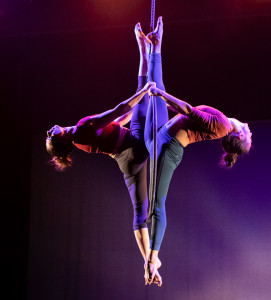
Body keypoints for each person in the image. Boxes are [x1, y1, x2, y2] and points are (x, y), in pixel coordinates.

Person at [46, 22, 163, 286]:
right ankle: (146, 48)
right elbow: (118, 109)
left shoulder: (79, 141)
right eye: (50, 136)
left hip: (125, 160)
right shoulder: (82, 127)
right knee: (144, 90)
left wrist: (140, 99)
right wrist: (142, 96)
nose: (49, 130)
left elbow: (119, 119)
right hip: (133, 144)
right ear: (60, 137)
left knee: (139, 212)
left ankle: (149, 261)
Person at [144, 16, 252, 284]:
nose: (250, 129)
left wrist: (163, 98)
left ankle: (153, 258)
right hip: (160, 137)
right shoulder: (224, 123)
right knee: (151, 91)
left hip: (166, 149)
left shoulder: (224, 125)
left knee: (156, 205)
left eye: (249, 135)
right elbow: (185, 112)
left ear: (239, 135)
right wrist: (162, 97)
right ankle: (153, 47)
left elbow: (189, 110)